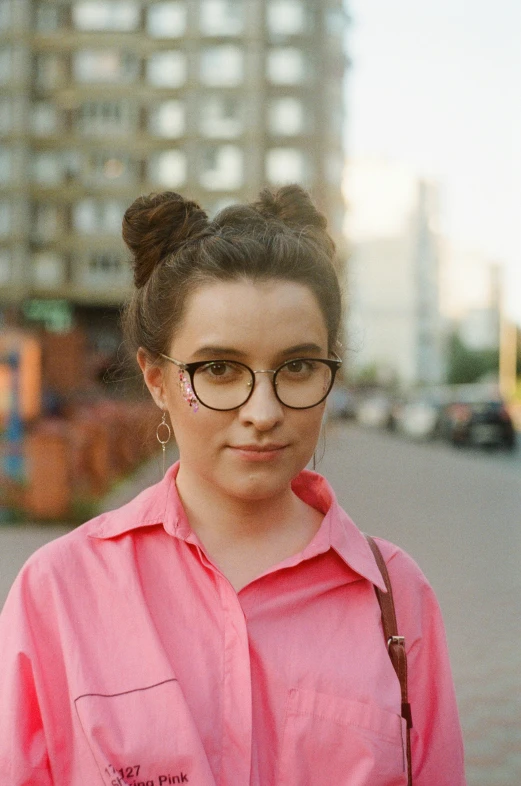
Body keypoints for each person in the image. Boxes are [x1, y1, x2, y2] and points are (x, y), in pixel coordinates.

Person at [0, 186, 466, 785]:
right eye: (219, 369)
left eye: (297, 367)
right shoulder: (58, 592)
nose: (264, 411)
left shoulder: (395, 597)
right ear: (157, 380)